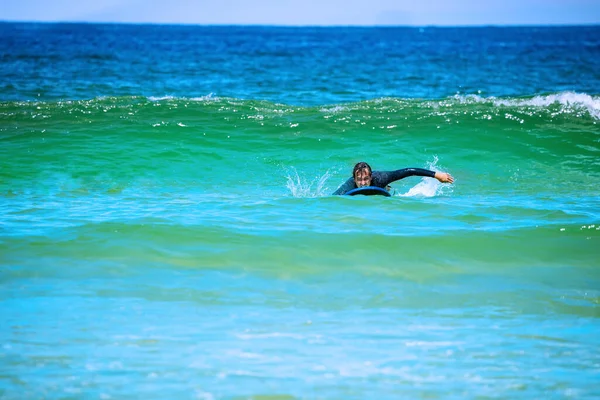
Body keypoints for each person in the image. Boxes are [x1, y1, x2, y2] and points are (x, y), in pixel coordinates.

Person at [332, 161, 454, 195]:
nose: (363, 183)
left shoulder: (380, 178)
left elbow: (408, 172)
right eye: (359, 180)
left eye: (366, 179)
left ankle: (386, 187)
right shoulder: (349, 185)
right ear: (354, 180)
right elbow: (333, 199)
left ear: (371, 177)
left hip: (380, 187)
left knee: (386, 187)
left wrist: (437, 175)